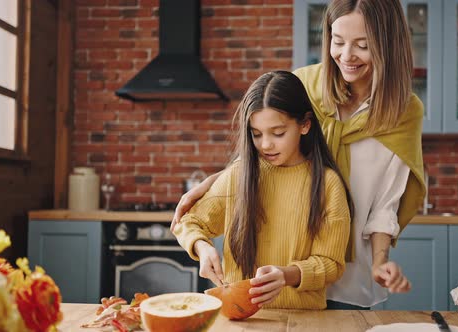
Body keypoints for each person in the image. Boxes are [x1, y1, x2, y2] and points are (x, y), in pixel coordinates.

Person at [172, 0, 425, 310]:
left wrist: (379, 261)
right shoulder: (305, 85)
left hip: (349, 277)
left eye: (362, 45)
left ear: (387, 45)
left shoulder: (403, 112)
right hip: (276, 287)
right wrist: (217, 182)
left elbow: (386, 202)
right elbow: (264, 154)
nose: (346, 56)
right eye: (338, 40)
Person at [172, 70, 353, 309]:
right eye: (256, 134)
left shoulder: (327, 183)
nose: (266, 144)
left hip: (305, 319)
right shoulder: (241, 175)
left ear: (305, 125)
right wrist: (202, 247)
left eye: (278, 133)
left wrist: (287, 274)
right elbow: (189, 222)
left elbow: (331, 264)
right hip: (242, 319)